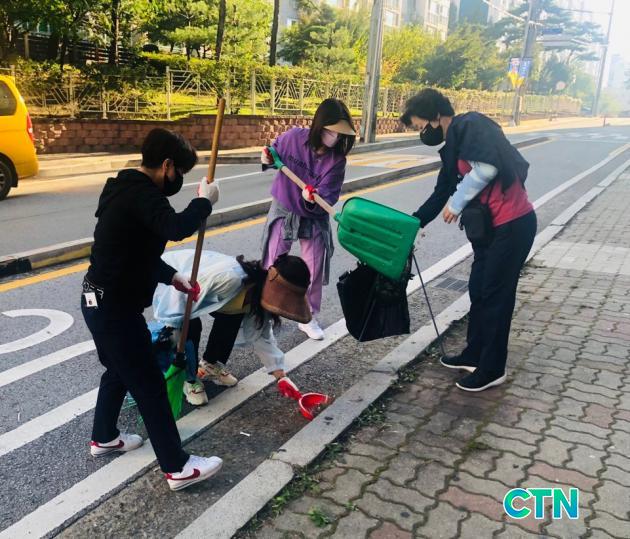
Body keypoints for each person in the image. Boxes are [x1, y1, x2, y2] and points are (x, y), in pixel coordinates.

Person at [81, 128, 224, 491]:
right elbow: (175, 227)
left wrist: (173, 277)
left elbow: (136, 252)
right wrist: (204, 201)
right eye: (180, 172)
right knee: (149, 385)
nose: (178, 179)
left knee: (118, 370)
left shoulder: (124, 188)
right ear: (167, 165)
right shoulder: (142, 194)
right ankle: (178, 467)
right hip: (114, 308)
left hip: (96, 300)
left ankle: (104, 437)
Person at [400, 89, 537, 392]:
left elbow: (487, 168)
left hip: (513, 224)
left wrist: (457, 203)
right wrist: (412, 224)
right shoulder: (453, 146)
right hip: (491, 231)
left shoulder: (471, 124)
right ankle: (474, 354)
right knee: (479, 289)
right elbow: (441, 192)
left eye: (422, 125)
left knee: (496, 296)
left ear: (436, 115)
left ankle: (492, 368)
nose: (423, 132)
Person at [151, 250, 312, 405]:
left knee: (233, 317)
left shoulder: (259, 298)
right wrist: (174, 331)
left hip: (208, 294)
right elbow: (178, 299)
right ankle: (189, 379)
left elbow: (261, 336)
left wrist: (281, 376)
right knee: (190, 323)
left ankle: (210, 365)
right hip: (175, 278)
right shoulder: (230, 279)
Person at [260, 98, 356, 341]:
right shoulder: (293, 137)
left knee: (313, 266)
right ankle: (265, 313)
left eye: (340, 134)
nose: (335, 137)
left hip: (314, 216)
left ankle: (307, 316)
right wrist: (268, 158)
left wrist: (313, 198)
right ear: (319, 126)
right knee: (273, 261)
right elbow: (274, 152)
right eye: (331, 131)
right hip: (284, 207)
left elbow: (329, 194)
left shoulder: (337, 161)